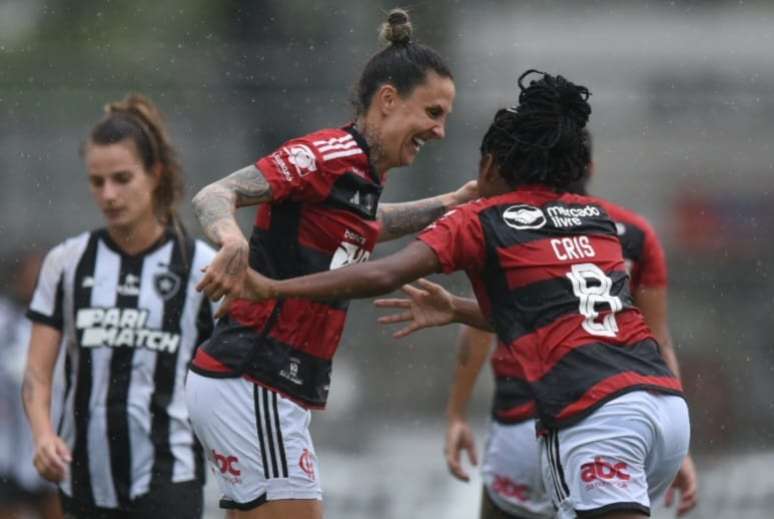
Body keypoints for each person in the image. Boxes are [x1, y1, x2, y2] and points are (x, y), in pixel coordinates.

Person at [239, 70, 691, 519]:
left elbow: (383, 275)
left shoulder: (480, 219)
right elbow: (554, 313)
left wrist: (273, 287)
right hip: (665, 408)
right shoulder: (593, 217)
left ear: (491, 165)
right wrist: (455, 308)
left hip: (596, 414)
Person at [186, 8, 475, 519]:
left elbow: (366, 225)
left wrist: (450, 203)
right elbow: (217, 192)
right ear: (388, 100)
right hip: (253, 376)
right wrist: (231, 239)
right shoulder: (326, 155)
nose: (440, 130)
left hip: (264, 384)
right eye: (432, 112)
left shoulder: (360, 175)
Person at [428, 130, 697, 519]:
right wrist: (676, 446)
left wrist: (456, 414)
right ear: (589, 166)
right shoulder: (631, 232)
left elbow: (482, 328)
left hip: (529, 414)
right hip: (623, 415)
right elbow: (658, 342)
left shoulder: (507, 221)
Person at [22, 94, 216, 519]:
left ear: (154, 174)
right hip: (84, 475)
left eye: (121, 178)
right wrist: (42, 435)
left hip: (172, 472)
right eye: (97, 181)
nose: (108, 194)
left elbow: (231, 373)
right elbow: (37, 371)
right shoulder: (67, 262)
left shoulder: (200, 266)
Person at [0, 252, 62, 519]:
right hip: (7, 448)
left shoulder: (61, 320)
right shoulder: (4, 319)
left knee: (55, 507)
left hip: (51, 442)